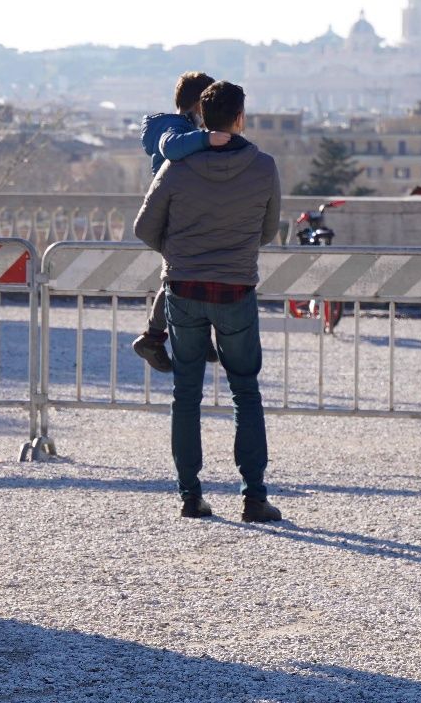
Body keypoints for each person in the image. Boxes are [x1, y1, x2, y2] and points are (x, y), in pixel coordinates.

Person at [133, 81, 283, 523]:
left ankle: (190, 494)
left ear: (201, 116)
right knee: (246, 392)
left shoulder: (177, 169)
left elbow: (145, 228)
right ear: (239, 118)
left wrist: (178, 251)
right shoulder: (264, 166)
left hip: (184, 288)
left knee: (186, 395)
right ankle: (254, 497)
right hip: (236, 288)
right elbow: (269, 230)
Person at [131, 72, 228, 371]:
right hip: (174, 217)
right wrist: (207, 138)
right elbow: (171, 147)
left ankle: (171, 335)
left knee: (186, 276)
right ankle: (152, 337)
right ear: (200, 106)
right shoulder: (173, 129)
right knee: (180, 278)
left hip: (178, 215)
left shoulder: (175, 126)